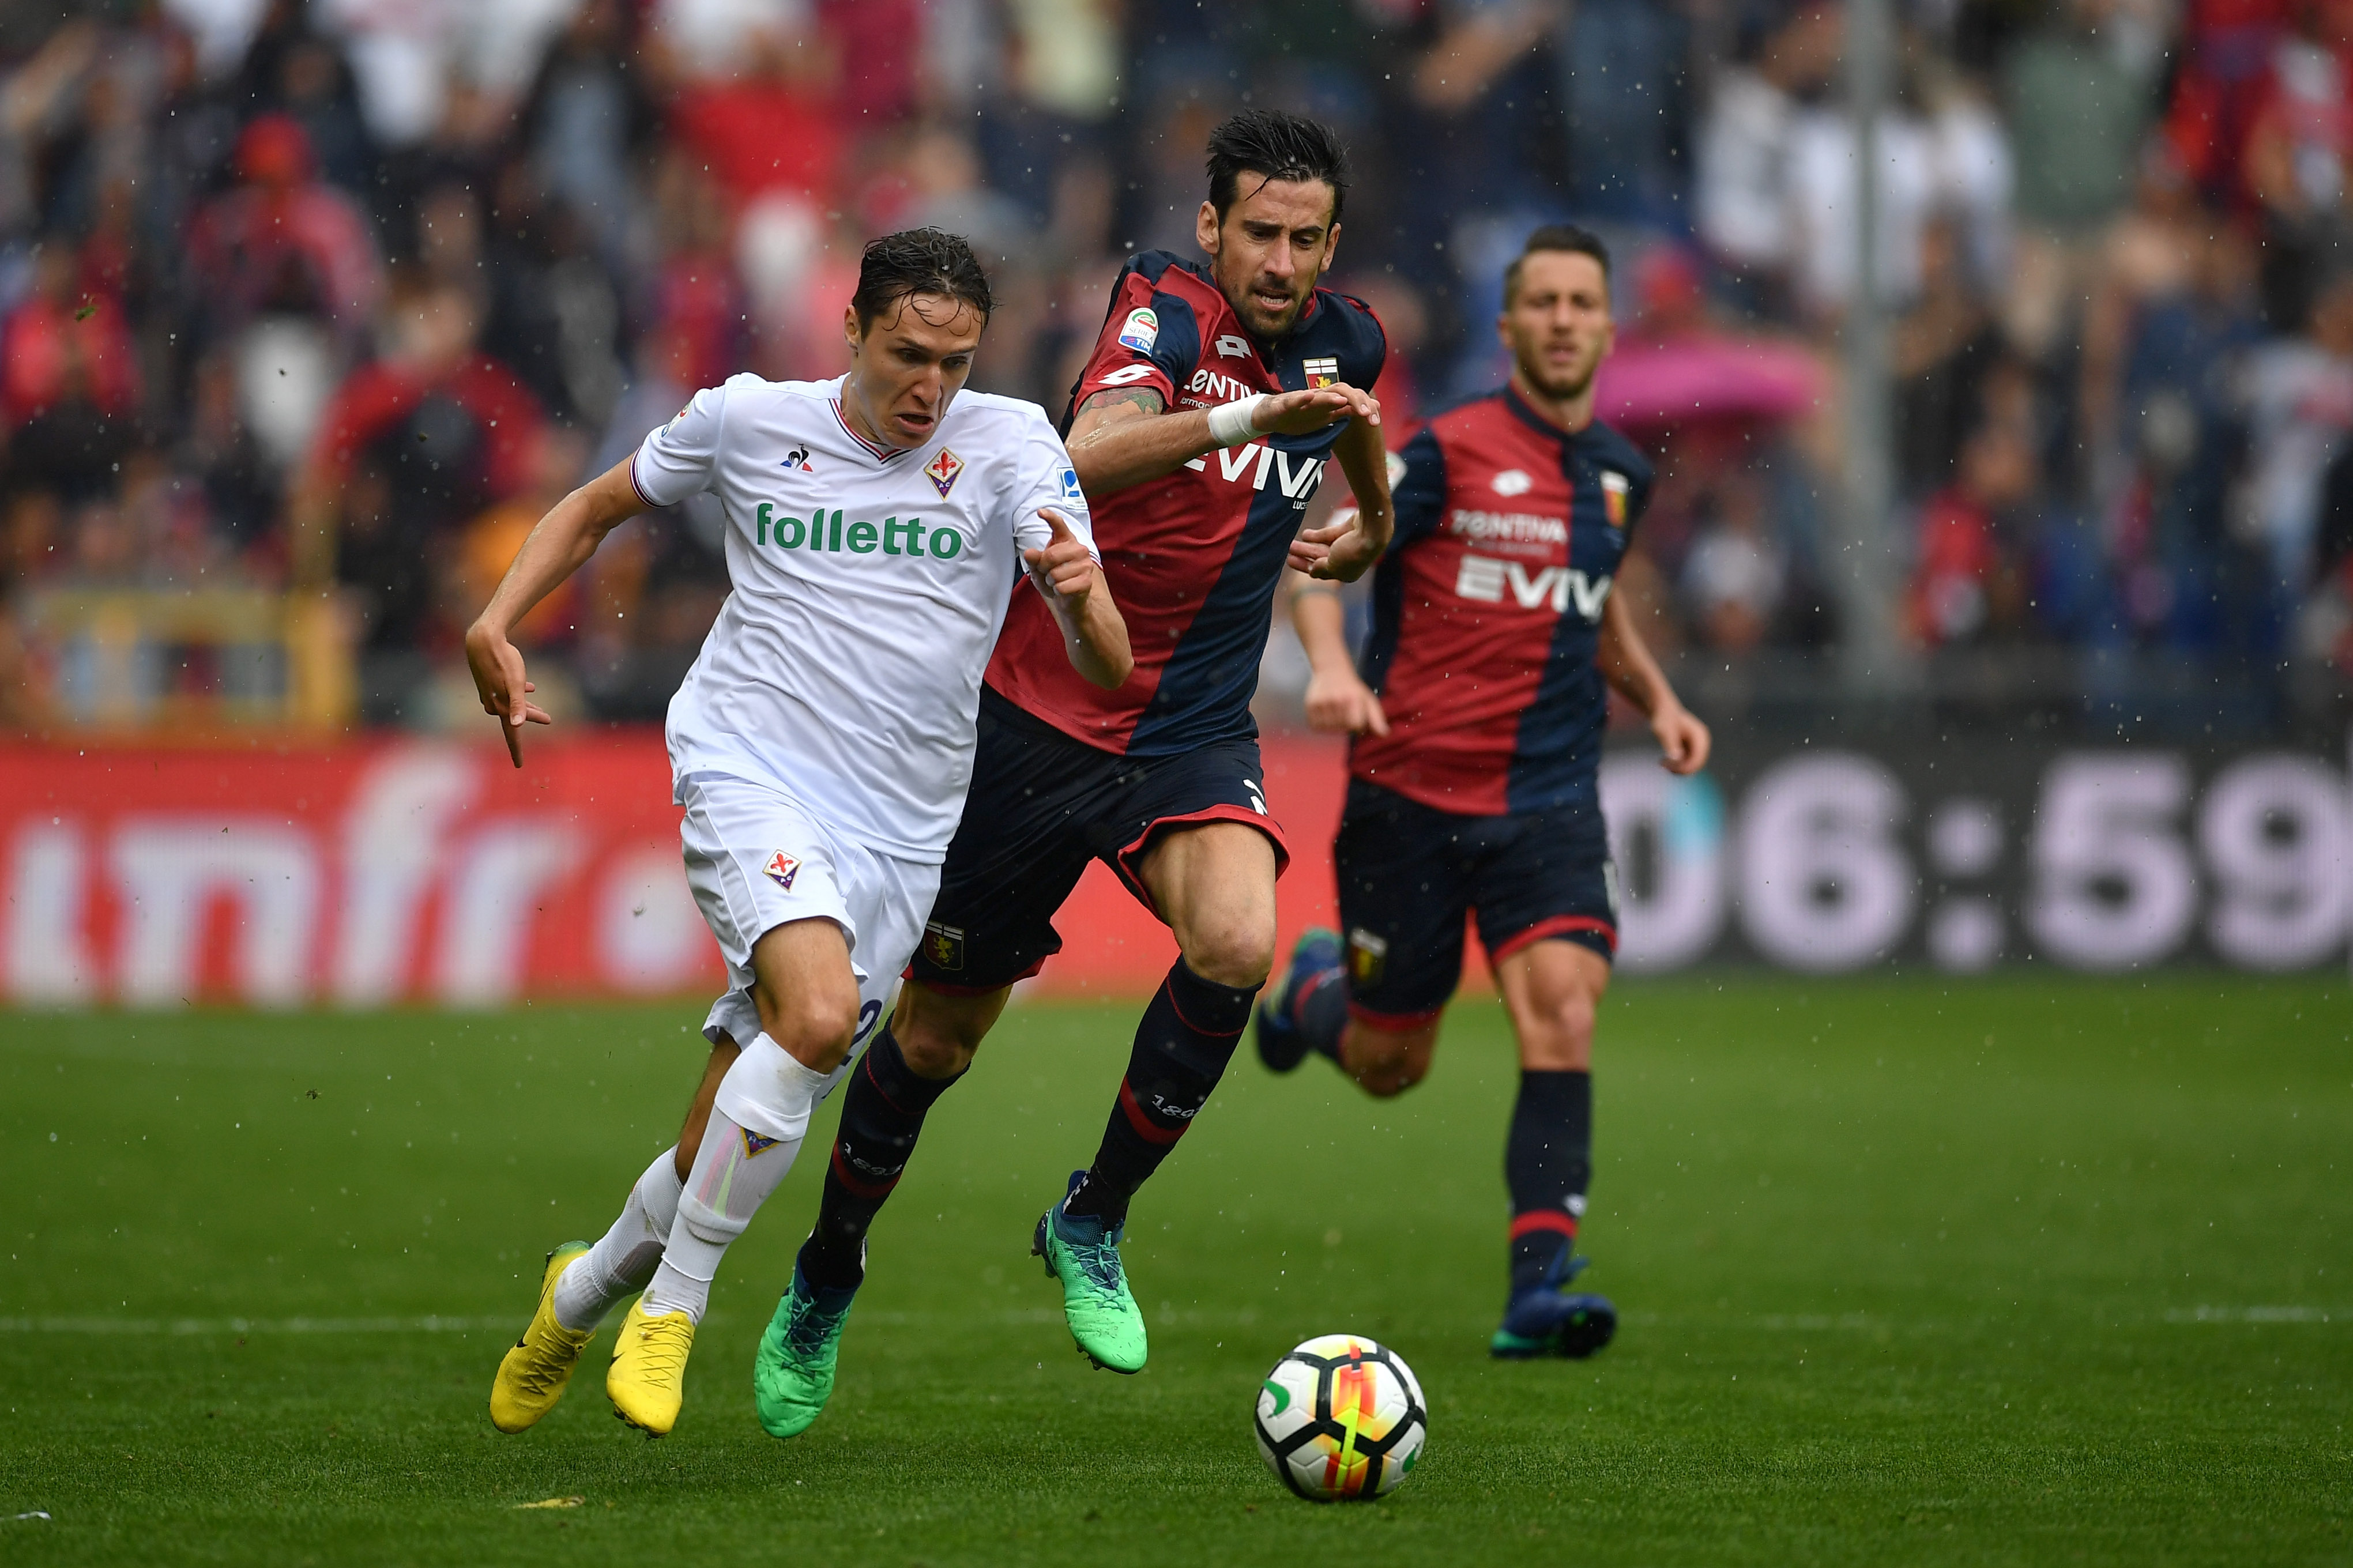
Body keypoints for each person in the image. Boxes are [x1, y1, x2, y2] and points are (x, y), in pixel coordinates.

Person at [748, 109, 1396, 1426]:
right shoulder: (1162, 307)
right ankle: (825, 1273)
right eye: (1257, 233)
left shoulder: (1346, 336)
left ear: (1332, 243)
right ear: (1212, 228)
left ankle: (1089, 1219)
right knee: (934, 1038)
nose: (1278, 261)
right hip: (1037, 715)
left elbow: (1351, 419)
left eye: (1304, 239)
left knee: (1236, 940)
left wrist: (1373, 521)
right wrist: (1249, 418)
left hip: (1191, 729)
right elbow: (1086, 453)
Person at [470, 228, 1130, 1440]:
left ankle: (573, 1299)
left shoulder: (1012, 443)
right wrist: (501, 617)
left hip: (901, 832)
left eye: (957, 362)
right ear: (852, 331)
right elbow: (599, 504)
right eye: (907, 355)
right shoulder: (746, 419)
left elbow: (1109, 664)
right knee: (819, 1018)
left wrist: (1086, 603)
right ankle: (673, 1310)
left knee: (720, 1126)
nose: (931, 388)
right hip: (748, 764)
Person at [1256, 225, 1711, 1360]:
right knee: (1387, 1066)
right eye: (1541, 303)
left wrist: (1656, 701)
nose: (1562, 320)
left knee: (1560, 1008)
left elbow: (1592, 605)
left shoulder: (1620, 474)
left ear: (1608, 327)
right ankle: (1314, 993)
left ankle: (1538, 1287)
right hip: (1407, 794)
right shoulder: (1445, 453)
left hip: (1549, 800)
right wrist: (1333, 668)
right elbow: (1325, 553)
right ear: (1509, 328)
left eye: (1580, 302)